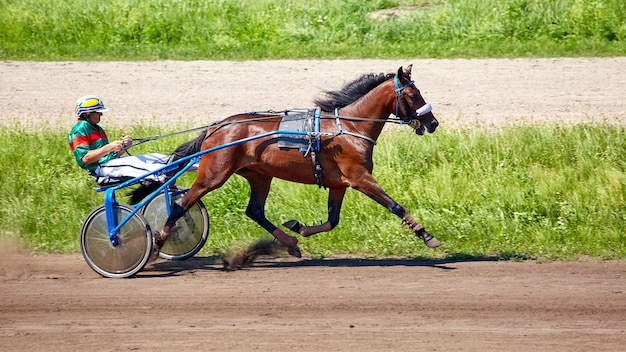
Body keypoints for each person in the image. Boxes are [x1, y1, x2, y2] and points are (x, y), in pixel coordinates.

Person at [68, 95, 169, 184]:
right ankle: (165, 178)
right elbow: (85, 159)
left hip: (109, 164)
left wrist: (124, 147)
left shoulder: (98, 129)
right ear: (86, 114)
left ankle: (172, 162)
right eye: (97, 112)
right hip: (98, 168)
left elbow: (108, 156)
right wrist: (110, 147)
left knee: (155, 158)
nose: (101, 114)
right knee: (140, 164)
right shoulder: (80, 128)